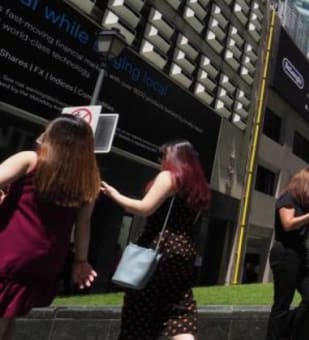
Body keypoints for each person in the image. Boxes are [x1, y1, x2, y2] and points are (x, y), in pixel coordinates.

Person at [0, 115, 99, 340]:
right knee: (9, 313)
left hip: (9, 250)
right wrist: (80, 261)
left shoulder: (30, 160)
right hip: (46, 259)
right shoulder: (88, 179)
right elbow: (83, 223)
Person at [101, 140, 210, 340]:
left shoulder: (168, 177)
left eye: (162, 157)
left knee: (140, 310)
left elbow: (144, 208)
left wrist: (114, 194)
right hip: (183, 250)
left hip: (157, 248)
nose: (160, 161)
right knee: (178, 309)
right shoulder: (198, 186)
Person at [266, 167, 309, 340]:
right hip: (285, 253)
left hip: (300, 254)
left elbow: (307, 226)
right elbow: (288, 224)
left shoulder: (304, 205)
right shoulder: (287, 198)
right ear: (302, 181)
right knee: (282, 303)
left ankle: (289, 329)